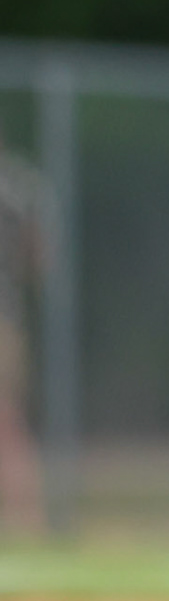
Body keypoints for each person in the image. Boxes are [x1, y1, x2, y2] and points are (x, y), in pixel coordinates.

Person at [0, 132, 47, 535]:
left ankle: (28, 519)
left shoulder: (17, 184)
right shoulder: (22, 183)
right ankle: (27, 519)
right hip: (7, 313)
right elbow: (39, 254)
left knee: (6, 419)